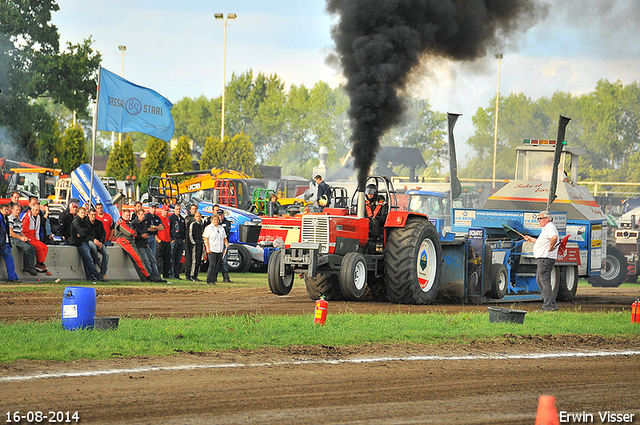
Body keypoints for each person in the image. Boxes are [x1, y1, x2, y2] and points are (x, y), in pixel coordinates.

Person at [524, 211, 559, 312]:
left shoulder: (549, 227)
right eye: (538, 218)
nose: (539, 220)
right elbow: (543, 241)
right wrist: (531, 239)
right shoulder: (546, 229)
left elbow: (554, 237)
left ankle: (547, 306)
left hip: (545, 258)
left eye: (540, 218)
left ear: (547, 219)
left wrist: (550, 247)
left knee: (544, 282)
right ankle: (552, 304)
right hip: (544, 258)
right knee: (540, 281)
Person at [113, 209, 154, 282]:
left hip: (130, 241)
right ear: (122, 215)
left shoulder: (128, 222)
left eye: (129, 215)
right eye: (127, 215)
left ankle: (144, 276)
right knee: (138, 259)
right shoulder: (121, 223)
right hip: (125, 242)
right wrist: (133, 232)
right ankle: (147, 276)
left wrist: (133, 232)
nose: (128, 217)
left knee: (137, 259)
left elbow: (134, 233)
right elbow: (131, 232)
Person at [70, 207, 106, 282]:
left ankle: (90, 277)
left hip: (84, 241)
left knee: (87, 260)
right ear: (78, 213)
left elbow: (88, 232)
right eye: (81, 213)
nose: (83, 214)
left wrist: (83, 232)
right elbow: (83, 233)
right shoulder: (76, 221)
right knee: (89, 259)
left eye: (84, 212)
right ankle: (98, 276)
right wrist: (83, 232)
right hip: (79, 243)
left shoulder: (84, 221)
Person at [131, 208, 162, 282]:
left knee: (153, 260)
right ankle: (150, 277)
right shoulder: (134, 223)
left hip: (145, 243)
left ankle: (157, 276)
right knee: (146, 261)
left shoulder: (144, 222)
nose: (143, 216)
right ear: (137, 214)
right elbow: (133, 235)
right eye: (141, 214)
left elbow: (148, 231)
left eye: (144, 214)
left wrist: (146, 242)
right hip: (139, 244)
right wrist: (141, 236)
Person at [8, 203, 38, 276]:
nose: (18, 212)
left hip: (18, 237)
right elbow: (11, 233)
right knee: (27, 248)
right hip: (13, 238)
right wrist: (21, 238)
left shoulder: (19, 219)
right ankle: (27, 266)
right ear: (12, 210)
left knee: (32, 248)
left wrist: (25, 238)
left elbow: (21, 232)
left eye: (19, 210)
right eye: (16, 210)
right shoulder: (10, 219)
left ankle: (31, 266)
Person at [21, 202, 51, 275]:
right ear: (32, 209)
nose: (37, 212)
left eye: (38, 210)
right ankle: (40, 263)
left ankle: (40, 263)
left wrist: (38, 240)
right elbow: (24, 231)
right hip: (28, 237)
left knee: (45, 247)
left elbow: (37, 230)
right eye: (36, 210)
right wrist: (27, 238)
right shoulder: (27, 217)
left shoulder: (38, 217)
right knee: (39, 248)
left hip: (34, 237)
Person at [203, 214, 228, 285]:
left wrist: (226, 244)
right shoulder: (209, 228)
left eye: (217, 219)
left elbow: (224, 238)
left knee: (216, 265)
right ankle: (208, 279)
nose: (216, 221)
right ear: (212, 220)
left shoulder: (221, 228)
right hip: (212, 249)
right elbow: (206, 238)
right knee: (212, 264)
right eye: (214, 219)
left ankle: (213, 280)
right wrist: (207, 248)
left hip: (219, 249)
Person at [0, 203, 20, 282]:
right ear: (1, 210)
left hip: (5, 242)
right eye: (5, 209)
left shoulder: (6, 219)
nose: (7, 211)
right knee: (9, 260)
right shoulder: (2, 219)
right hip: (3, 243)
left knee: (10, 260)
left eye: (8, 209)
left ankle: (14, 277)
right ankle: (12, 277)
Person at [87, 208, 109, 279]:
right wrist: (93, 239)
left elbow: (103, 234)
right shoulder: (85, 223)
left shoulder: (99, 223)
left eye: (94, 215)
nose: (93, 216)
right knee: (92, 246)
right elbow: (85, 234)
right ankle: (97, 261)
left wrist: (101, 242)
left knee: (106, 254)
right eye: (92, 215)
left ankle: (103, 272)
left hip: (99, 242)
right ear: (88, 215)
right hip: (90, 241)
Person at [155, 205, 172, 279]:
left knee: (167, 259)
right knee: (159, 259)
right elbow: (155, 230)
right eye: (165, 210)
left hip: (167, 241)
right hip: (160, 241)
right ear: (162, 210)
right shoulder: (159, 219)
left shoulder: (168, 220)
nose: (166, 212)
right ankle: (158, 273)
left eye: (167, 210)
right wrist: (158, 239)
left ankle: (166, 274)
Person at [169, 204, 186, 279]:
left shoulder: (182, 219)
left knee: (178, 259)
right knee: (172, 258)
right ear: (174, 210)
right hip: (174, 240)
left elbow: (184, 229)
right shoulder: (171, 218)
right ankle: (171, 274)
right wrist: (171, 239)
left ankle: (176, 274)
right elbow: (169, 229)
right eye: (177, 209)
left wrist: (184, 238)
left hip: (181, 240)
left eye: (179, 209)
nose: (178, 210)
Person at [187, 211, 205, 282]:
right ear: (194, 217)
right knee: (194, 260)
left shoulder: (201, 224)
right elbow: (190, 234)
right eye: (197, 216)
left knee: (199, 260)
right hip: (195, 244)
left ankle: (196, 275)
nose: (198, 218)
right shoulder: (193, 224)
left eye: (199, 216)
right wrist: (194, 243)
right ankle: (192, 275)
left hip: (200, 243)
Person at [216, 208, 232, 283]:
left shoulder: (227, 222)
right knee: (216, 261)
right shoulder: (215, 222)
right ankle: (214, 277)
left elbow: (226, 233)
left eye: (221, 215)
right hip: (216, 244)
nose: (220, 216)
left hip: (224, 244)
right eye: (219, 215)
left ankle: (226, 278)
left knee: (224, 261)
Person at [183, 203, 198, 280]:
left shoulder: (198, 219)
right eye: (193, 209)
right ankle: (187, 275)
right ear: (190, 210)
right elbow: (185, 229)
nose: (194, 210)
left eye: (195, 209)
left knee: (195, 259)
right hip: (188, 240)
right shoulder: (188, 218)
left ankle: (194, 275)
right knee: (188, 258)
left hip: (196, 241)